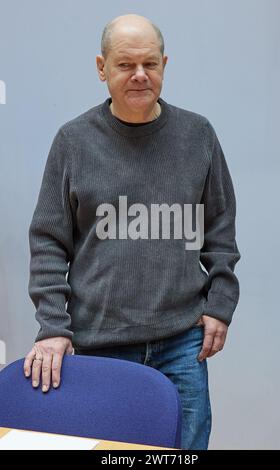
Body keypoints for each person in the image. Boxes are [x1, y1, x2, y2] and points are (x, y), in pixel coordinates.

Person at [24, 13, 241, 450]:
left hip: (182, 343)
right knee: (110, 454)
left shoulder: (198, 135)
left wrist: (220, 303)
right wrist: (53, 325)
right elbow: (48, 242)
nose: (140, 75)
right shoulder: (73, 141)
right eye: (125, 65)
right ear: (102, 68)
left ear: (164, 64)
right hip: (98, 345)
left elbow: (220, 226)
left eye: (150, 64)